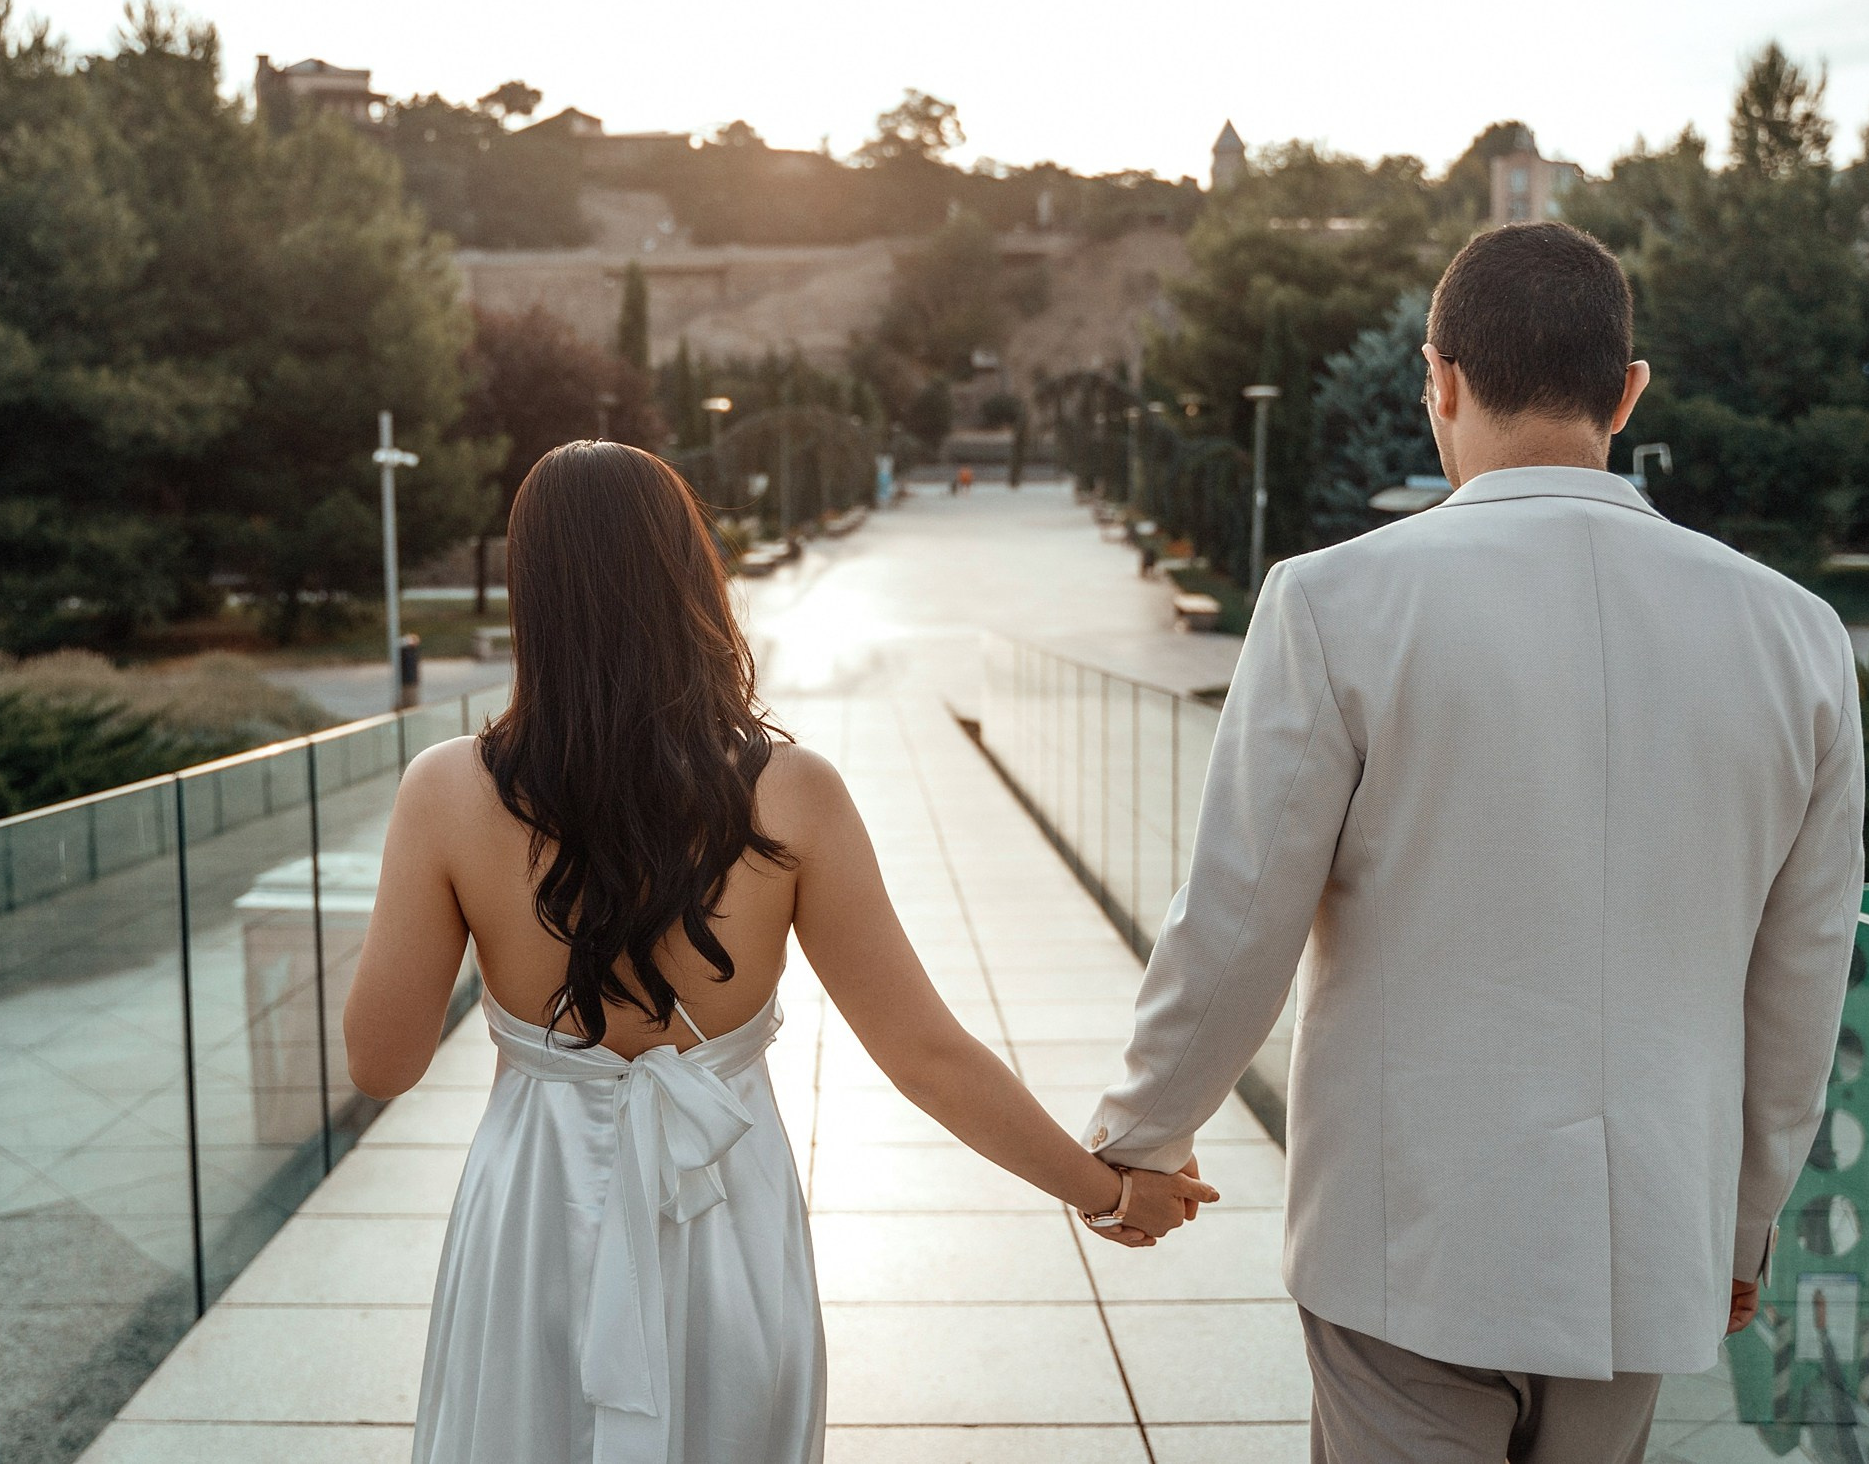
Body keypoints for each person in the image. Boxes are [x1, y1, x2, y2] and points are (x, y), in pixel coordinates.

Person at [1087, 222, 1864, 1463]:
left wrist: (1140, 1138)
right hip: (1647, 1244)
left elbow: (1239, 915)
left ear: (1437, 378)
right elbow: (1802, 977)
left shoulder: (1334, 602)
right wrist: (1740, 1224)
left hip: (1412, 1239)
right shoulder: (1800, 636)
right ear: (1626, 391)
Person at [343, 442, 1215, 1464]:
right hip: (727, 1216)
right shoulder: (791, 791)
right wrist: (1107, 1189)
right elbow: (926, 1052)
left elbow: (380, 1060)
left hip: (532, 1214)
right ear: (691, 578)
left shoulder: (448, 790)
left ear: (532, 595)